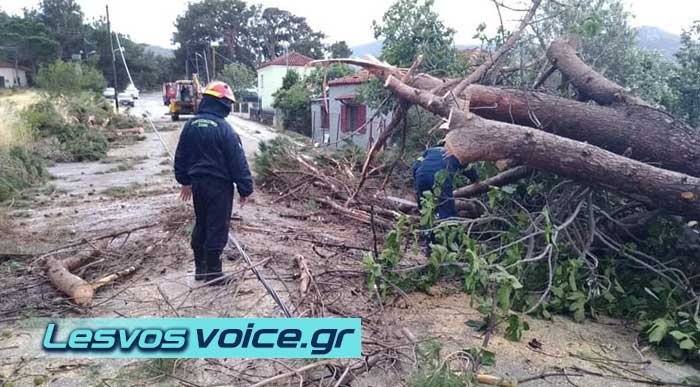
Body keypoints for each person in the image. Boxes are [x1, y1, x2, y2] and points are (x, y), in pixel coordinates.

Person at [174, 81, 253, 285]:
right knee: (217, 227)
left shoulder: (190, 125)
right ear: (222, 103)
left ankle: (200, 269)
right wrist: (245, 188)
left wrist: (184, 181)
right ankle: (214, 274)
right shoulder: (225, 129)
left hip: (198, 185)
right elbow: (237, 161)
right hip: (219, 187)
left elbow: (180, 155)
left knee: (201, 223)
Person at [413, 147, 479, 251]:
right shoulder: (457, 152)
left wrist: (418, 182)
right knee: (447, 213)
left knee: (426, 212)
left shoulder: (430, 151)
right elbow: (469, 170)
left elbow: (416, 165)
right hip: (441, 179)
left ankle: (430, 245)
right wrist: (476, 180)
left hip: (421, 176)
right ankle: (452, 246)